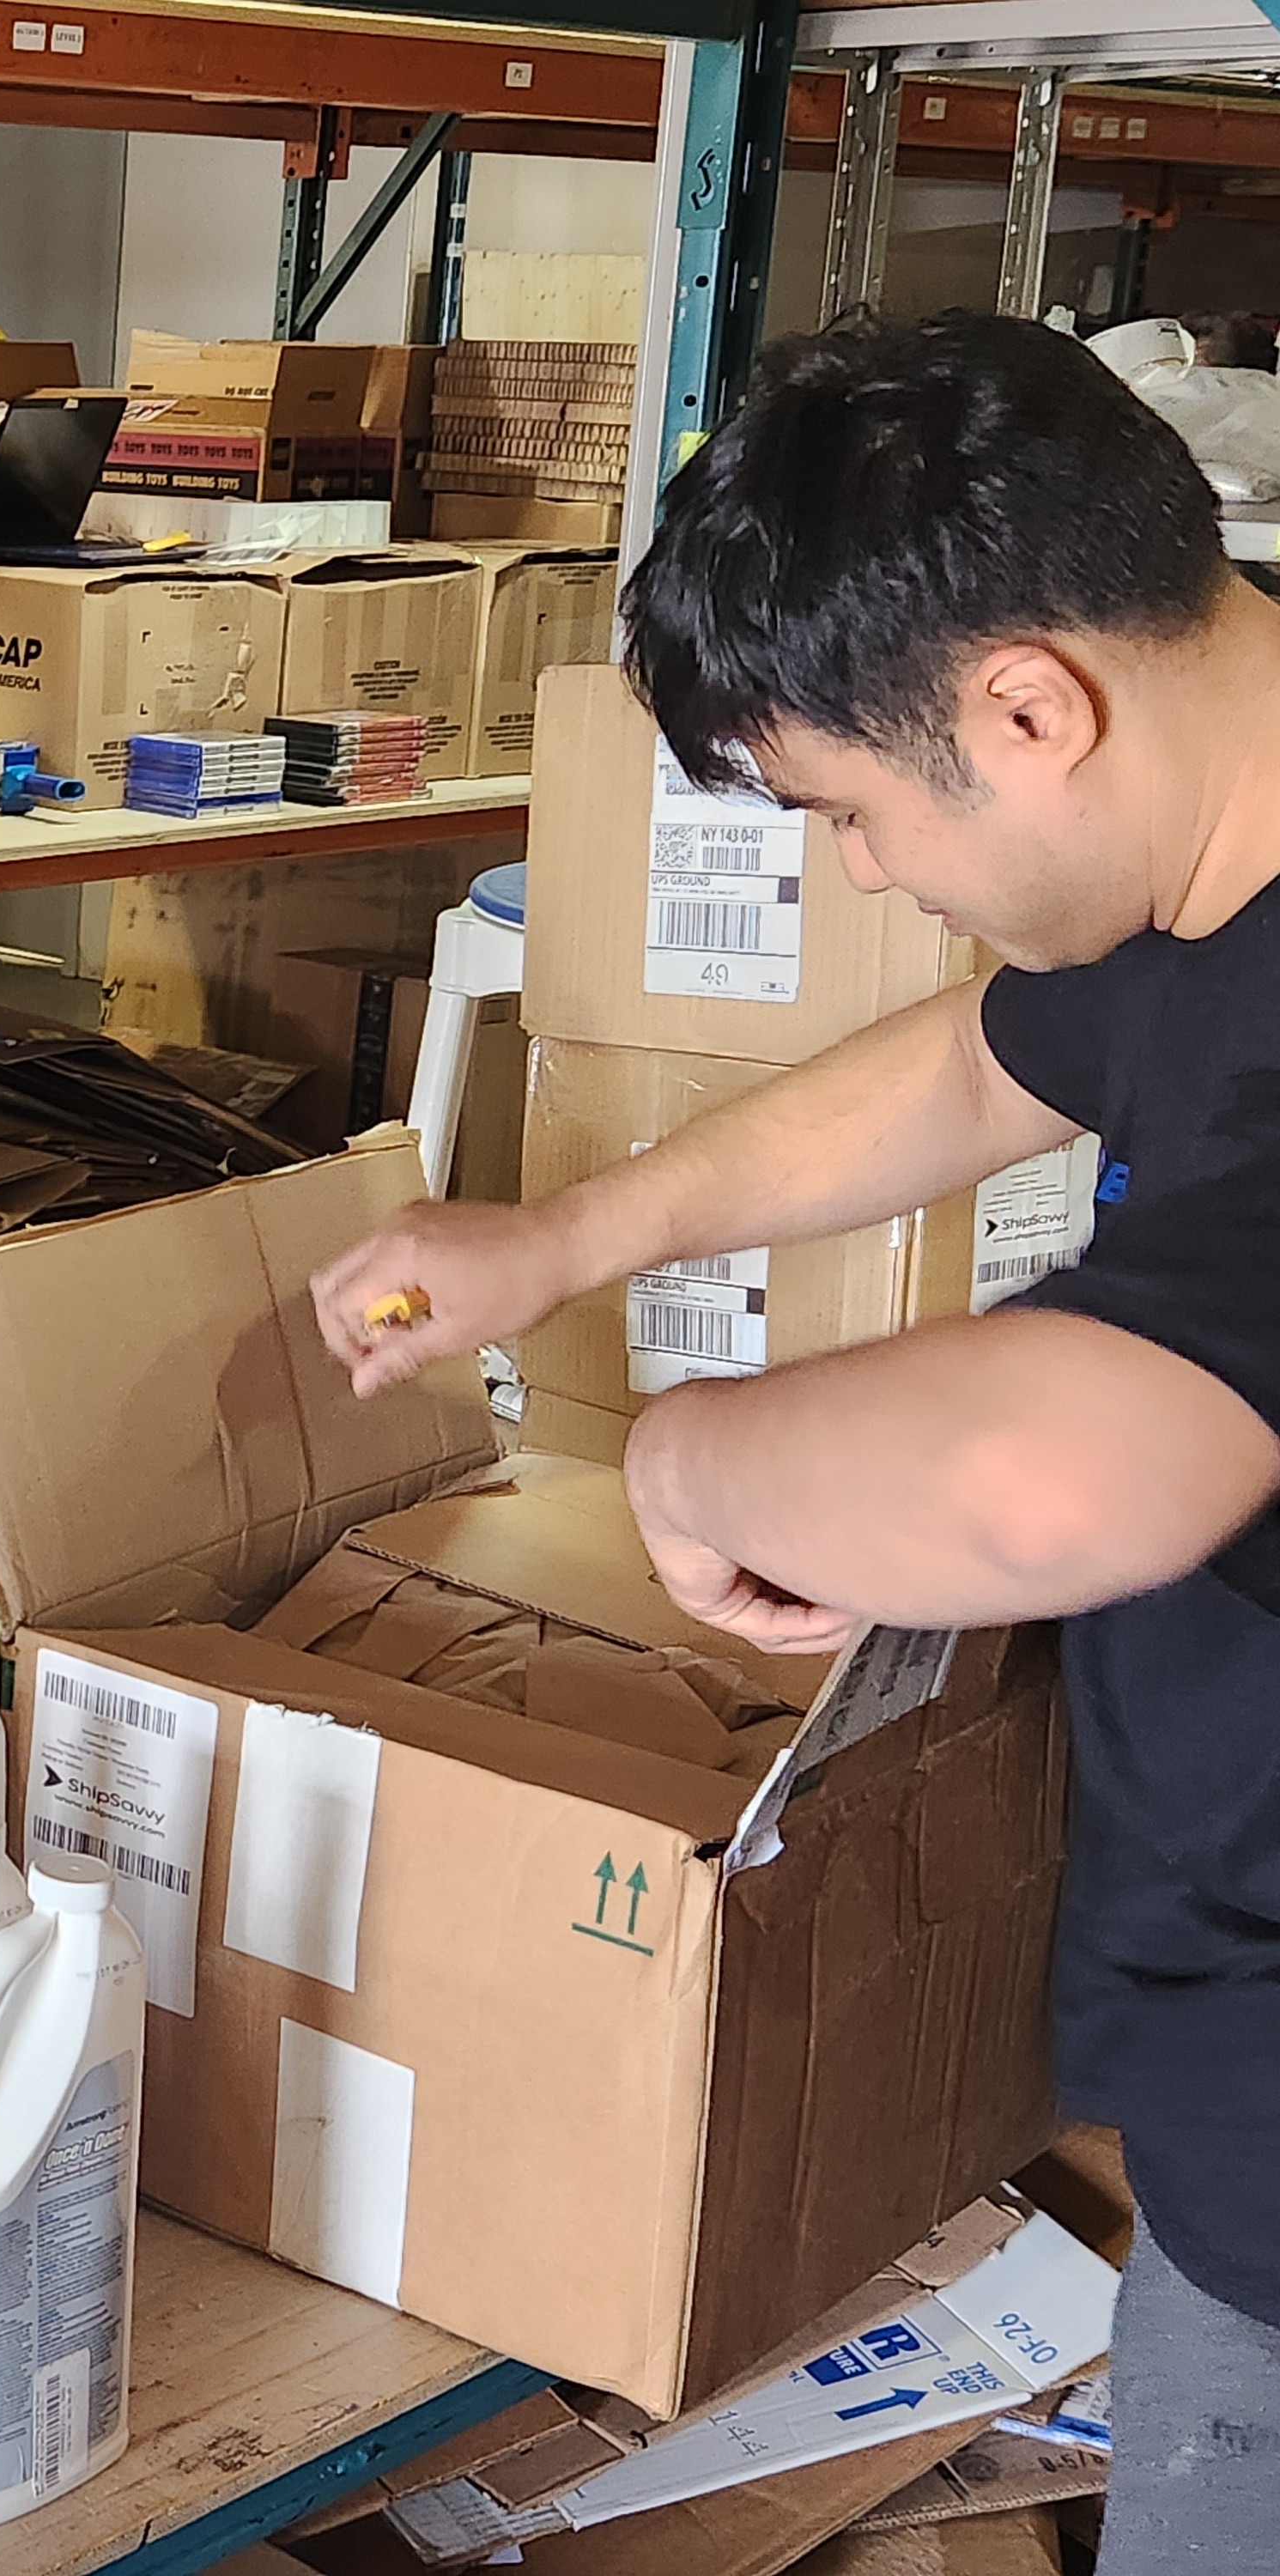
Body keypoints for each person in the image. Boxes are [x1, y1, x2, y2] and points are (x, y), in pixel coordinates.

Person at [308, 312, 1280, 2567]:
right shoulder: (1212, 845)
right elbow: (974, 1067)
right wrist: (562, 1243)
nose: (857, 876)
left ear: (1033, 707)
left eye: (852, 806)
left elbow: (1067, 1471)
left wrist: (696, 1461)